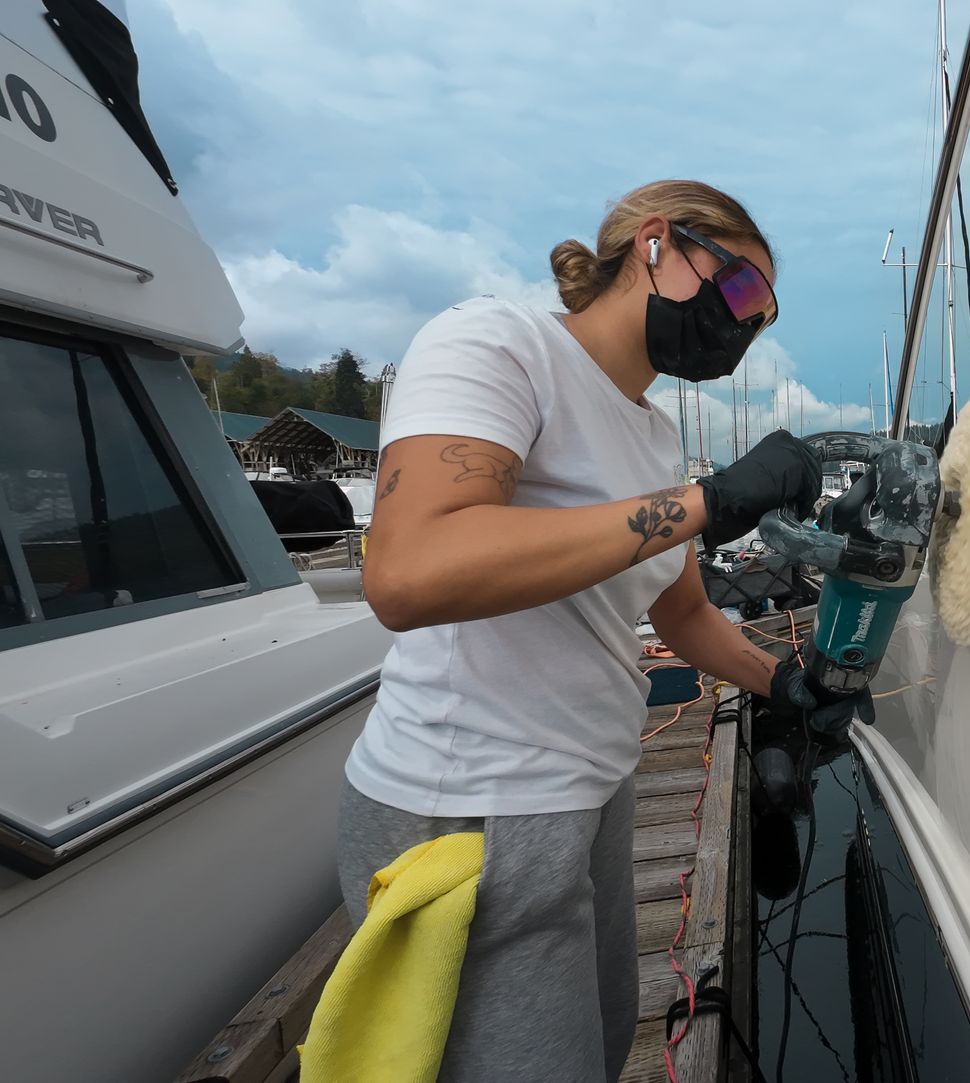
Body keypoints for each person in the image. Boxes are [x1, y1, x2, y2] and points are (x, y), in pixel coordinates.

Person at [340, 180, 852, 1082]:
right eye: (737, 293)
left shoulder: (654, 438)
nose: (744, 326)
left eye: (761, 317)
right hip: (473, 802)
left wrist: (789, 684)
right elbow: (409, 568)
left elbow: (684, 614)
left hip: (593, 789)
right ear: (656, 242)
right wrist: (709, 499)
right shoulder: (499, 344)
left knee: (606, 1040)